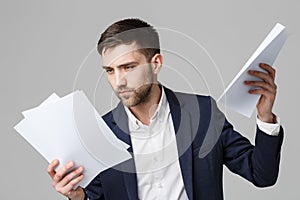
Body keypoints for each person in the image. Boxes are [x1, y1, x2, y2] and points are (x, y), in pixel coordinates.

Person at [47, 18, 284, 200]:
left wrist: (265, 117)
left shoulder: (202, 112)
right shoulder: (101, 131)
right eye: (110, 70)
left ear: (156, 63)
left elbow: (261, 175)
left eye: (128, 67)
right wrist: (80, 197)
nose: (118, 81)